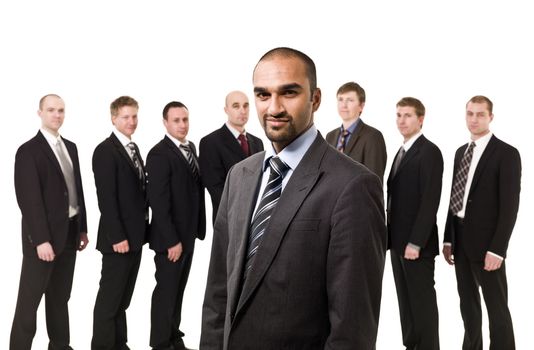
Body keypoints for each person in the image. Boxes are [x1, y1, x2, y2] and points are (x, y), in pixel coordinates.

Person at [200, 47, 386, 349]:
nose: (273, 107)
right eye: (262, 95)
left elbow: (352, 329)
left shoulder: (353, 186)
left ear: (315, 98)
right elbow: (218, 293)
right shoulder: (239, 175)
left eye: (288, 93)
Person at [10, 94, 89, 350]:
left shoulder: (72, 147)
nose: (57, 115)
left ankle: (60, 346)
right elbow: (29, 200)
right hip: (43, 240)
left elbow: (77, 191)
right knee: (29, 302)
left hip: (69, 233)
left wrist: (83, 228)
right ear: (40, 113)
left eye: (61, 110)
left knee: (59, 299)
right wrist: (41, 239)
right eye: (52, 110)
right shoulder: (28, 151)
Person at [443, 95, 521, 350]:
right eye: (470, 114)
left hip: (488, 244)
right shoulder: (460, 153)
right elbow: (455, 197)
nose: (474, 119)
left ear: (491, 117)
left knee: (496, 307)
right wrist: (448, 237)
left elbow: (509, 206)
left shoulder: (506, 154)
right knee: (468, 306)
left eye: (480, 114)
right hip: (461, 240)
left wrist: (498, 249)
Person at [147, 101, 206, 350]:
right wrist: (172, 241)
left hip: (188, 234)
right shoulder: (159, 154)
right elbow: (158, 202)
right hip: (170, 240)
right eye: (176, 120)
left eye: (185, 120)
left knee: (178, 290)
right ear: (165, 123)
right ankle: (161, 343)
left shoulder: (189, 147)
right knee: (166, 292)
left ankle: (173, 336)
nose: (182, 125)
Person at [91, 96, 149, 350]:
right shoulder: (105, 151)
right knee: (109, 300)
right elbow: (107, 198)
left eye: (134, 116)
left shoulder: (133, 148)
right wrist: (117, 237)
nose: (131, 121)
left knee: (123, 300)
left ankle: (119, 344)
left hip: (135, 236)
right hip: (118, 239)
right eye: (125, 116)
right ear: (113, 118)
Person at [387, 97, 443, 350]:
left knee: (422, 304)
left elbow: (430, 201)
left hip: (415, 245)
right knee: (405, 304)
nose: (402, 120)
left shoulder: (429, 152)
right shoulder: (401, 150)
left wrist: (416, 242)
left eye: (407, 115)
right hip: (398, 243)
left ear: (421, 119)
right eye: (399, 115)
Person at [199, 90, 264, 223]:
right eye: (236, 106)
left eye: (246, 106)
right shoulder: (210, 142)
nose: (242, 110)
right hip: (228, 218)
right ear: (226, 110)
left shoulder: (257, 142)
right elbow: (215, 187)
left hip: (255, 218)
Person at [325, 81, 387, 182]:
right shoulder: (330, 136)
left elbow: (374, 181)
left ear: (361, 106)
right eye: (340, 100)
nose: (344, 105)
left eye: (350, 100)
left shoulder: (373, 136)